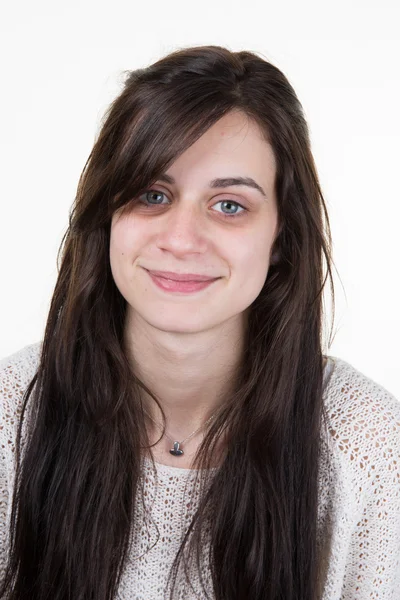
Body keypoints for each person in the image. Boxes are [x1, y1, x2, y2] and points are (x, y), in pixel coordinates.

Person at [0, 45, 399, 600]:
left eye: (229, 205)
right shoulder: (12, 412)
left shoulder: (368, 446)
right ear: (107, 215)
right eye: (152, 194)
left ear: (281, 238)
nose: (182, 238)